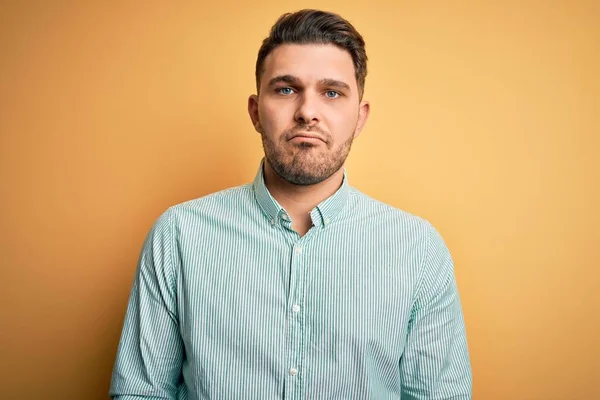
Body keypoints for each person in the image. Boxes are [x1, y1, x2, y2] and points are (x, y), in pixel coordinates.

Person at [109, 9, 472, 399]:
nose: (307, 111)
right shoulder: (179, 235)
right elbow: (140, 393)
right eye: (285, 89)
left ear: (360, 118)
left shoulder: (418, 248)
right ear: (255, 112)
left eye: (331, 92)